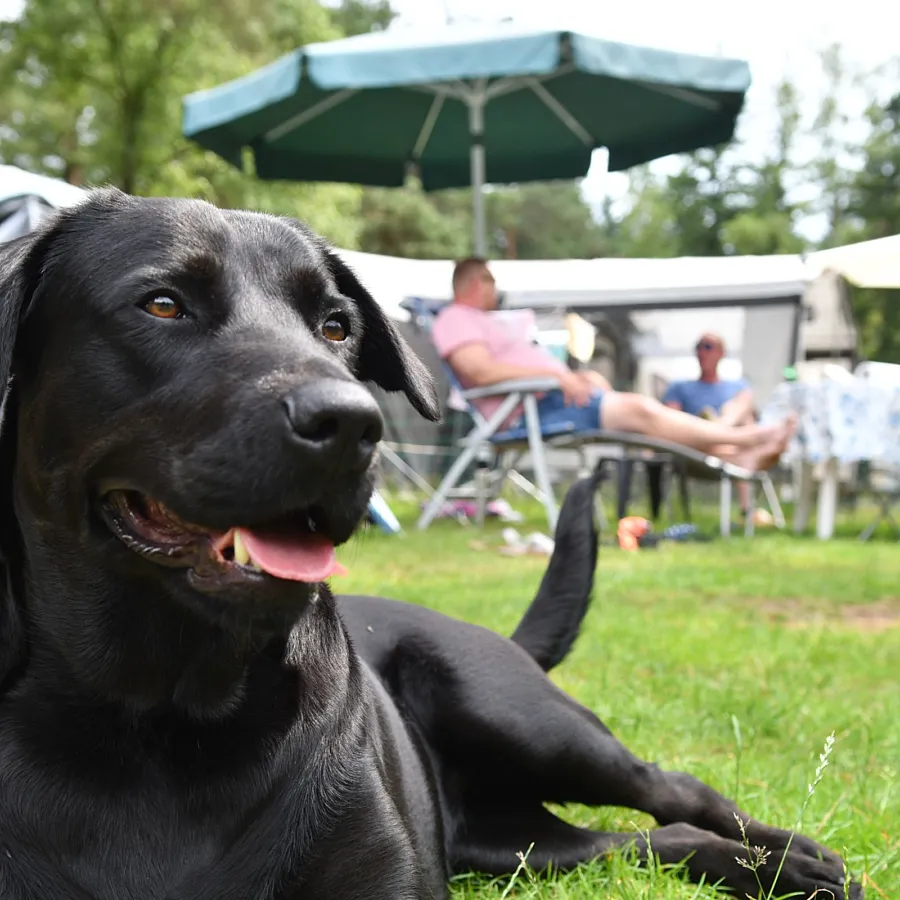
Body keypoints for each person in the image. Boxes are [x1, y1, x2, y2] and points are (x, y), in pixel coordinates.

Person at [431, 258, 794, 473]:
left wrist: (570, 376)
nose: (495, 291)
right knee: (638, 410)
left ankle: (733, 455)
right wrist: (556, 375)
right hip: (527, 410)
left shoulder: (484, 321)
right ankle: (746, 438)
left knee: (642, 421)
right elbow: (480, 372)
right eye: (492, 282)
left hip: (545, 400)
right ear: (478, 281)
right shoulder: (455, 318)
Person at [663, 333, 758, 512]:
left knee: (742, 407)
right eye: (698, 347)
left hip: (730, 446)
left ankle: (720, 426)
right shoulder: (679, 387)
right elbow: (667, 422)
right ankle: (748, 511)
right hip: (694, 448)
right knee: (740, 440)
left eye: (708, 347)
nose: (702, 352)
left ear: (721, 353)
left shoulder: (738, 386)